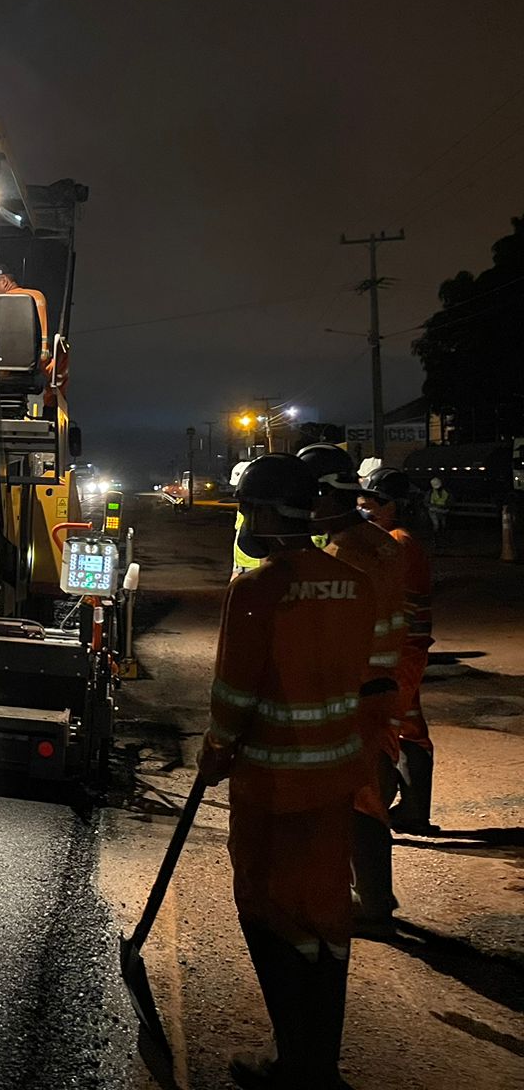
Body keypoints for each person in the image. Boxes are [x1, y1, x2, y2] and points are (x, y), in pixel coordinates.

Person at [198, 454, 376, 1088]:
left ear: (269, 513)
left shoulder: (256, 590)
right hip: (334, 785)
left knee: (268, 910)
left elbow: (234, 700)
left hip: (272, 788)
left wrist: (215, 752)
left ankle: (295, 1066)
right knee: (326, 914)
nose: (245, 518)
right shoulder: (354, 582)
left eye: (248, 508)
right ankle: (318, 1065)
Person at [298, 444, 408, 937]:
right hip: (383, 687)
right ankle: (373, 897)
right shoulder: (382, 542)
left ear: (325, 495)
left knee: (352, 799)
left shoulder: (344, 555)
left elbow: (332, 635)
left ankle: (366, 904)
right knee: (368, 794)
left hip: (354, 691)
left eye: (307, 499)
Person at [361, 467, 438, 835]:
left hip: (400, 654)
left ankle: (372, 819)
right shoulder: (401, 539)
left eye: (372, 502)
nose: (364, 508)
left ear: (392, 505)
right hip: (409, 651)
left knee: (385, 731)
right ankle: (413, 812)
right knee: (409, 727)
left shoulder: (397, 543)